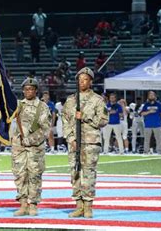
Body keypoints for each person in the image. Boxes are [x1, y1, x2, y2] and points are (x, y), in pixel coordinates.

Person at [62, 67, 108, 218]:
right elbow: (66, 121)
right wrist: (71, 138)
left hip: (90, 142)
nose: (82, 82)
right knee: (75, 173)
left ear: (91, 82)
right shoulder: (71, 100)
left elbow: (103, 120)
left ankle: (88, 206)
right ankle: (79, 205)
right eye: (80, 80)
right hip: (75, 142)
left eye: (85, 80)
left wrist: (86, 116)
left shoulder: (97, 100)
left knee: (88, 174)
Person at [11, 78, 51, 216]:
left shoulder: (42, 107)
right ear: (23, 90)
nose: (29, 91)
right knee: (20, 175)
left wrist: (30, 140)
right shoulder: (17, 106)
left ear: (36, 91)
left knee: (34, 176)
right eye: (26, 89)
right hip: (18, 148)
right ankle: (23, 204)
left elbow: (45, 129)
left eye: (31, 89)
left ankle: (33, 204)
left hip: (35, 148)